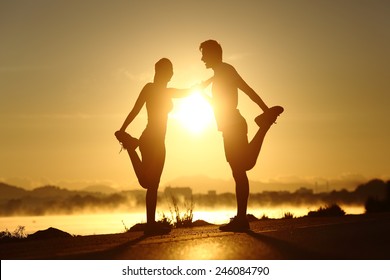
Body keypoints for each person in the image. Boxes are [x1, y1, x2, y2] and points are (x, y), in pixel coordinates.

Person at [199, 40, 284, 232]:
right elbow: (219, 104)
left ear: (213, 54)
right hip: (229, 125)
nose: (202, 58)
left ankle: (241, 219)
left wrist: (265, 109)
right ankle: (241, 218)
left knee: (242, 169)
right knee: (242, 168)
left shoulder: (226, 71)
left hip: (233, 125)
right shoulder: (220, 73)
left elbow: (248, 90)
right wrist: (202, 95)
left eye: (204, 53)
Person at [115, 58, 198, 235]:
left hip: (151, 140)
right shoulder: (151, 88)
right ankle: (131, 148)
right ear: (162, 71)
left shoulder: (165, 91)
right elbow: (135, 110)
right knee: (149, 183)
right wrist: (122, 129)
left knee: (150, 183)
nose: (173, 73)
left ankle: (151, 224)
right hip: (153, 140)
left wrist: (203, 85)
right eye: (170, 70)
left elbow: (186, 92)